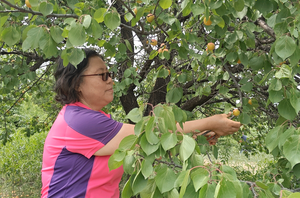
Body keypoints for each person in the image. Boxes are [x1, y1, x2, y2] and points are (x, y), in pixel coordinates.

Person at [41, 48, 241, 197]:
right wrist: (210, 122)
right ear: (76, 84)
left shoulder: (96, 119)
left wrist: (196, 136)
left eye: (109, 74)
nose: (111, 80)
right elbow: (150, 133)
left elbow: (147, 145)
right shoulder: (78, 121)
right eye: (102, 75)